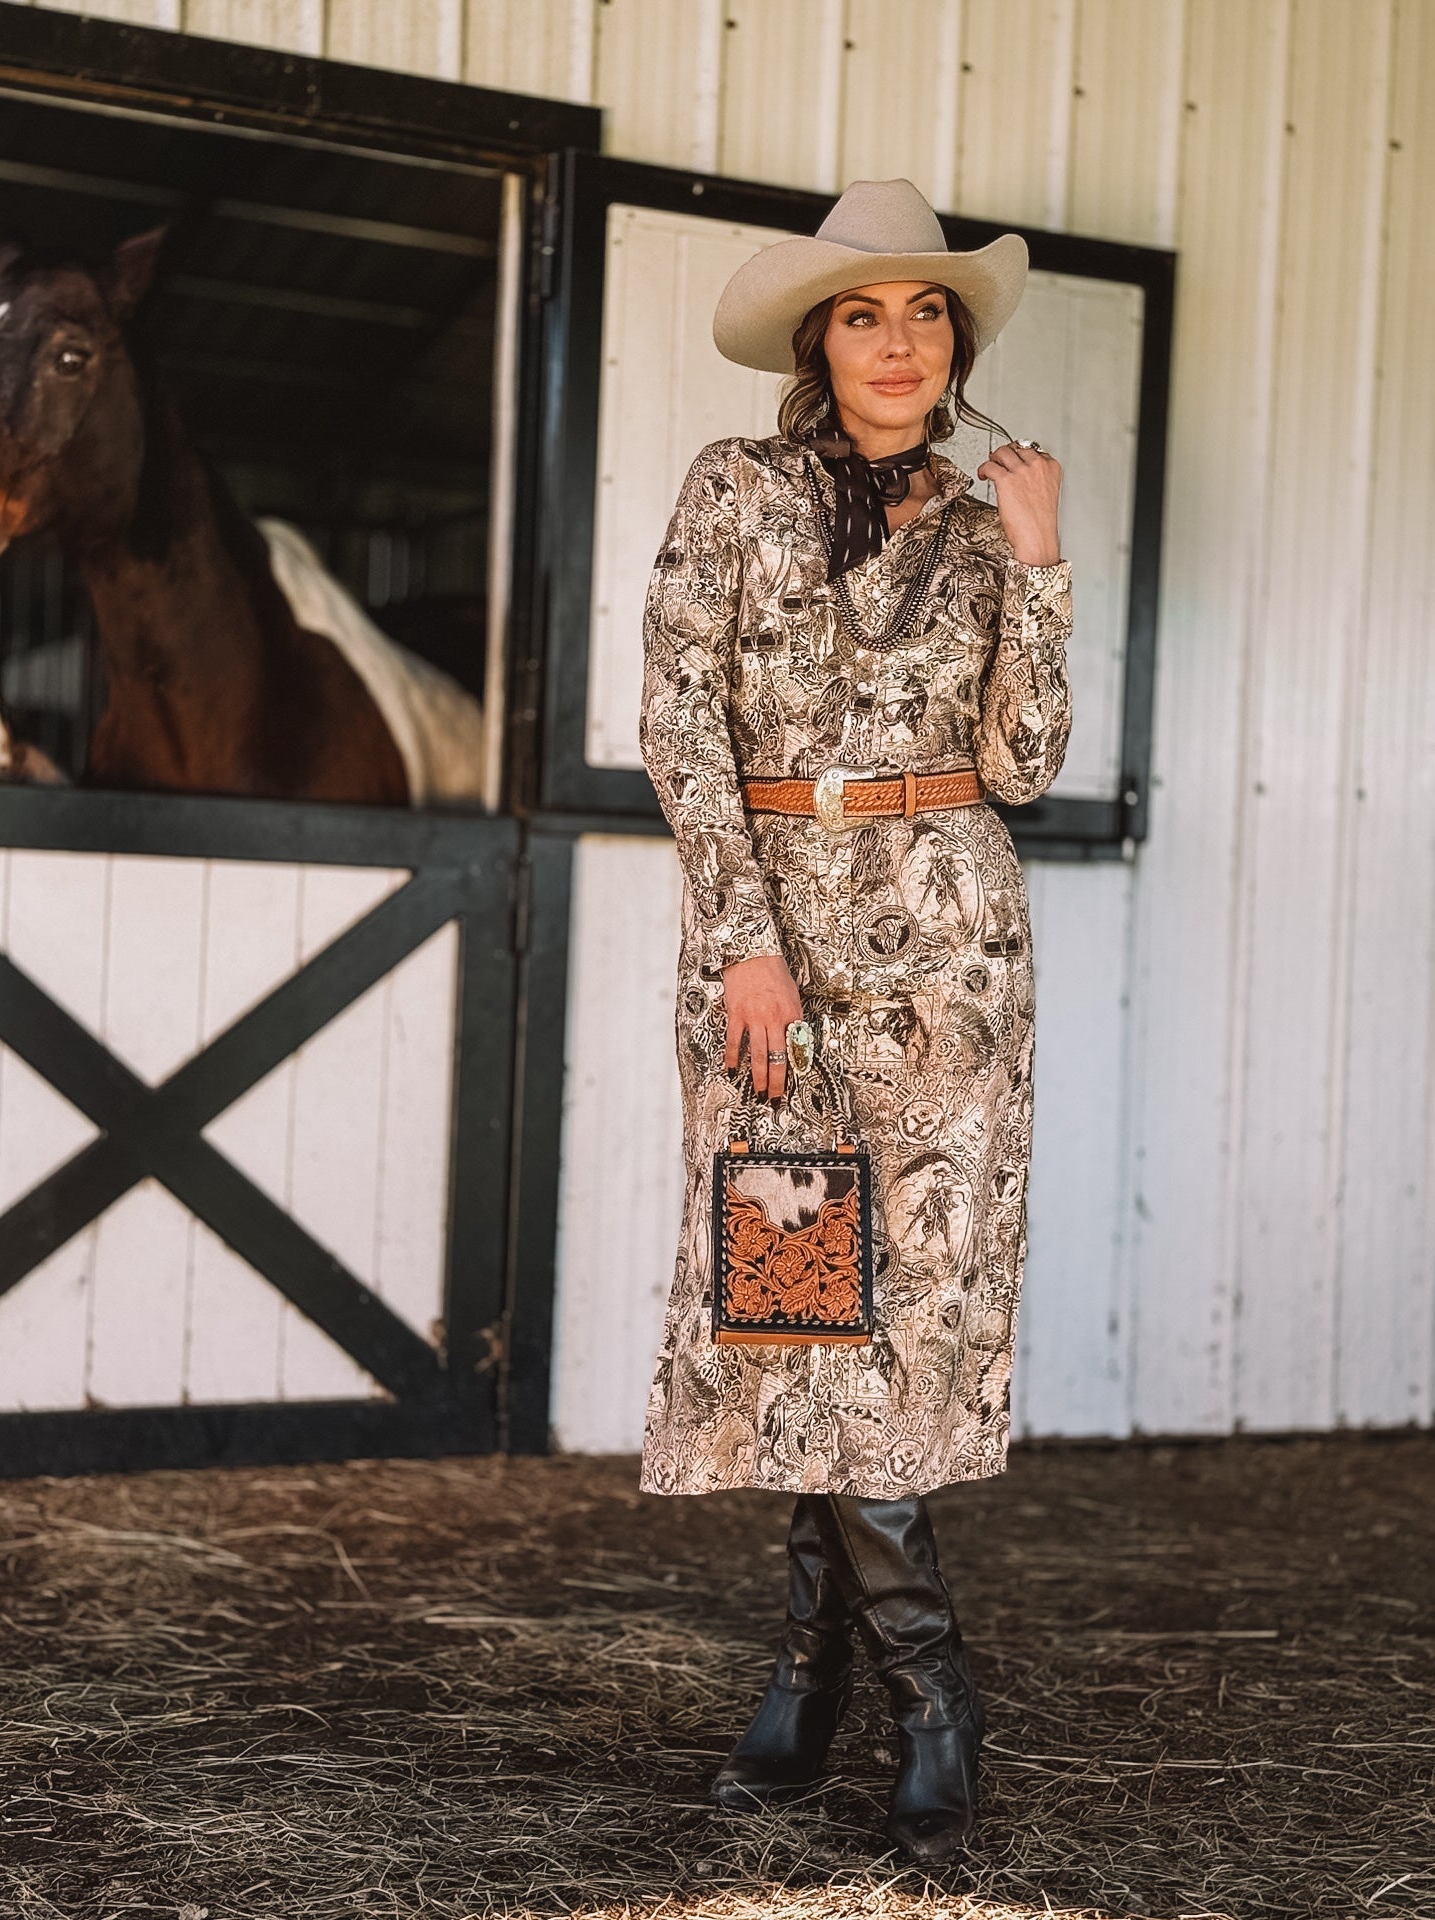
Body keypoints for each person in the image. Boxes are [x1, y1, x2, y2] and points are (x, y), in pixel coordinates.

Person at [635, 178, 1071, 1863]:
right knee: (802, 1295)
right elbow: (682, 735)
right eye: (866, 311)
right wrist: (747, 944)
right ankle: (892, 1677)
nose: (900, 340)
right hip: (778, 962)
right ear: (820, 338)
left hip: (952, 963)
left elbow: (1022, 765)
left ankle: (865, 1686)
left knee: (906, 1319)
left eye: (928, 311)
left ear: (955, 339)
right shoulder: (733, 492)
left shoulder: (985, 521)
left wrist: (1039, 563)